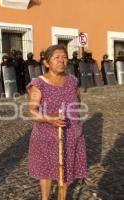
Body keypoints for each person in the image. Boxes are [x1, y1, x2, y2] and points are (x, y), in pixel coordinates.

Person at [27, 45, 87, 200]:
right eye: (57, 58)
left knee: (65, 170)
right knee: (46, 171)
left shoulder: (73, 81)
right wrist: (50, 119)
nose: (62, 61)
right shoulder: (38, 84)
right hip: (46, 136)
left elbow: (77, 102)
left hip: (70, 134)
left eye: (64, 57)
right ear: (47, 63)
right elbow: (32, 111)